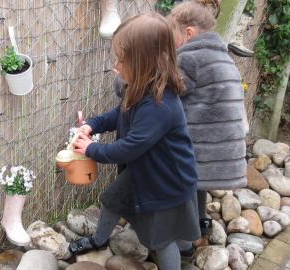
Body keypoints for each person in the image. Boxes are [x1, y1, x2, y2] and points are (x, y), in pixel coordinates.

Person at [69, 12, 200, 270]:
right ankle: (99, 239)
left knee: (161, 239)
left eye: (121, 60)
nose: (115, 66)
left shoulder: (160, 105)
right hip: (145, 167)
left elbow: (129, 149)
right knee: (112, 199)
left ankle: (183, 254)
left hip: (165, 180)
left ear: (144, 62)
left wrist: (91, 149)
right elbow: (120, 113)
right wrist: (92, 124)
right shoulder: (140, 86)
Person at [166, 0, 248, 255]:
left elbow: (167, 88)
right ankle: (201, 222)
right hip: (224, 148)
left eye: (172, 37)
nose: (171, 45)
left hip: (208, 146)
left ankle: (185, 242)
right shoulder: (222, 54)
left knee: (184, 178)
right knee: (197, 179)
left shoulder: (191, 57)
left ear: (188, 33)